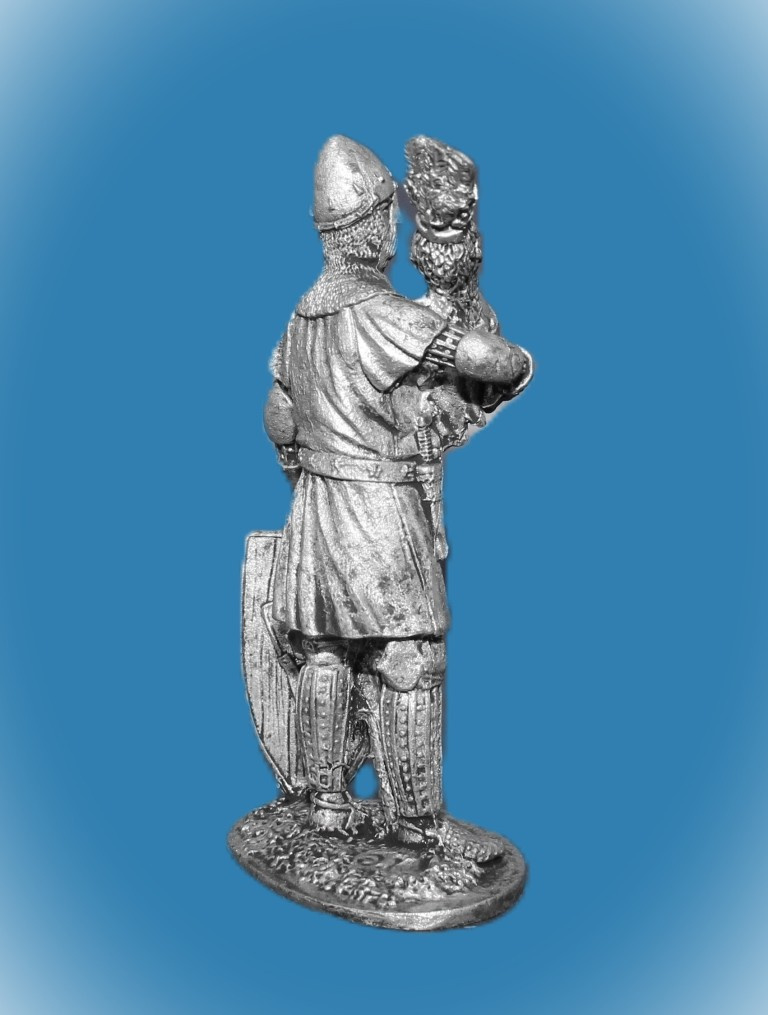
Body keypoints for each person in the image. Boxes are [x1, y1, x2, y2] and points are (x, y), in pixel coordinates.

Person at [263, 135, 529, 860]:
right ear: (374, 225)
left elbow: (279, 412)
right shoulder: (379, 312)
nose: (395, 229)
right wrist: (515, 361)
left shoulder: (303, 314)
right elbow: (480, 357)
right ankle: (418, 823)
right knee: (410, 657)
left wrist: (306, 459)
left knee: (325, 654)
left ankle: (325, 804)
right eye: (391, 217)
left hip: (316, 508)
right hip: (376, 509)